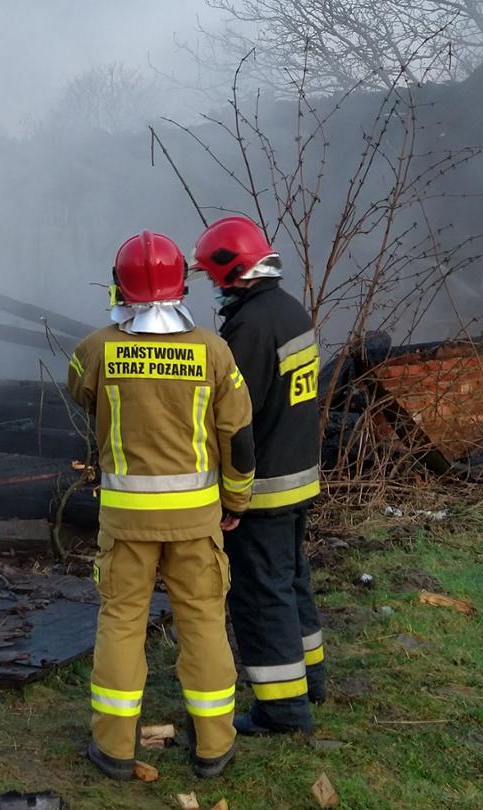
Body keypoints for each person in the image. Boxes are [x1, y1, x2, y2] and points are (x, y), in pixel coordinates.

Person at [67, 230, 257, 780]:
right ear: (182, 283)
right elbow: (238, 437)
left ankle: (114, 748)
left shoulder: (95, 350)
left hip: (126, 521)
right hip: (198, 521)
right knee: (202, 622)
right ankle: (214, 746)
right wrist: (237, 498)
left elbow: (80, 396)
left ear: (119, 285)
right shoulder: (214, 351)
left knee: (122, 622)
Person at [190, 216, 326, 736]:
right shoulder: (290, 310)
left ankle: (282, 709)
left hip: (264, 485)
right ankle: (311, 680)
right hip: (299, 475)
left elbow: (233, 415)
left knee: (260, 593)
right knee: (291, 579)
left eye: (213, 277)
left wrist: (230, 492)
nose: (213, 288)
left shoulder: (249, 326)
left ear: (233, 270)